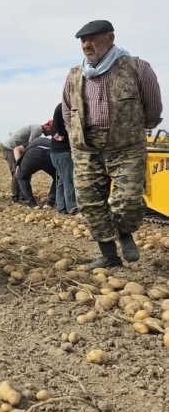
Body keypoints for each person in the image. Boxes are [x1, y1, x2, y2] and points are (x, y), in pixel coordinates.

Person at [62, 20, 163, 268]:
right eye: (83, 41)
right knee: (89, 203)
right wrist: (76, 135)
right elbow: (67, 110)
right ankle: (109, 256)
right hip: (87, 148)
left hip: (126, 146)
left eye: (93, 39)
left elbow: (153, 108)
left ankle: (125, 232)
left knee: (128, 201)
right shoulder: (75, 74)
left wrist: (132, 129)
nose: (87, 44)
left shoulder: (137, 67)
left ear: (110, 38)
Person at [2, 121, 52, 203]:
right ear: (48, 127)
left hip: (18, 149)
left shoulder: (36, 128)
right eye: (52, 131)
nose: (50, 135)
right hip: (10, 149)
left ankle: (23, 196)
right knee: (17, 172)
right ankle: (15, 197)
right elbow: (30, 145)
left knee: (25, 172)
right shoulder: (37, 129)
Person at [49, 103, 78, 215]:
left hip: (56, 153)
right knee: (68, 180)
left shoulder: (60, 107)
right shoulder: (63, 107)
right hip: (63, 152)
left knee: (62, 180)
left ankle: (61, 207)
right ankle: (73, 208)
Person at [13, 137, 56, 209]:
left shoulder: (31, 143)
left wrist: (18, 164)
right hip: (50, 153)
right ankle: (50, 202)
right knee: (58, 177)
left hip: (33, 153)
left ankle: (31, 203)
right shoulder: (50, 141)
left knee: (22, 176)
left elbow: (16, 149)